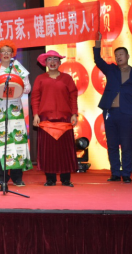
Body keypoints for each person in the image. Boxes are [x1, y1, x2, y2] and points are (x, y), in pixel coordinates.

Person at [94, 32, 132, 184]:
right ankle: (115, 173)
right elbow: (98, 60)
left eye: (121, 54)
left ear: (128, 56)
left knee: (126, 145)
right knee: (112, 145)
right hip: (110, 113)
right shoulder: (111, 70)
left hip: (126, 114)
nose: (118, 57)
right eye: (116, 55)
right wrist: (98, 43)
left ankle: (127, 173)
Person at [0, 40, 32, 187]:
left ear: (13, 53)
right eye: (3, 51)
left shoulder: (19, 68)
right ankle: (2, 177)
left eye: (8, 51)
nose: (5, 54)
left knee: (17, 141)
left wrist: (19, 87)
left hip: (15, 108)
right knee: (1, 142)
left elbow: (28, 88)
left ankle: (17, 177)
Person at [31, 50, 78, 187]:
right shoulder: (40, 79)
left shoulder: (67, 78)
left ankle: (66, 179)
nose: (52, 62)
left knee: (65, 150)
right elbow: (35, 98)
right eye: (49, 59)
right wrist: (35, 115)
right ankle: (50, 179)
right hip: (46, 119)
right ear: (45, 63)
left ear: (59, 62)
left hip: (65, 119)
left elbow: (73, 97)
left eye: (55, 59)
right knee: (48, 151)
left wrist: (74, 113)